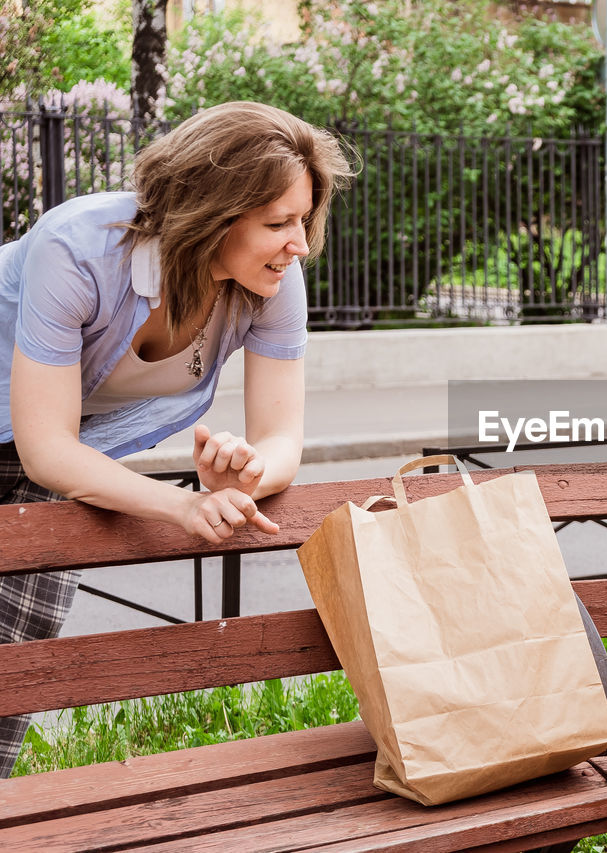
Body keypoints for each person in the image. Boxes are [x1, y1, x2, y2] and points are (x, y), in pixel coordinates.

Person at [0, 101, 354, 777]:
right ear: (209, 211)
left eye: (303, 221)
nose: (300, 244)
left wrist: (245, 473)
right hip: (45, 444)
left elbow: (281, 437)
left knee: (14, 657)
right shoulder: (76, 248)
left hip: (56, 457)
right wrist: (181, 506)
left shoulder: (270, 283)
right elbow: (46, 445)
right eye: (278, 223)